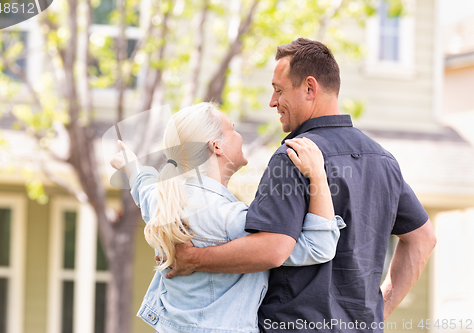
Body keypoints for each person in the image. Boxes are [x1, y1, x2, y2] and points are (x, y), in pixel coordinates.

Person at [165, 39, 437, 332]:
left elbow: (271, 250)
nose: (272, 101)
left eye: (279, 90)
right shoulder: (382, 160)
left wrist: (194, 258)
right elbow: (423, 238)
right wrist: (377, 313)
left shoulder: (293, 156)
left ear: (310, 88)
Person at [109, 102, 346, 333]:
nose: (239, 135)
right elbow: (318, 246)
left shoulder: (163, 203)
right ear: (217, 147)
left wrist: (131, 166)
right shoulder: (231, 220)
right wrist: (317, 174)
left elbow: (144, 186)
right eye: (232, 129)